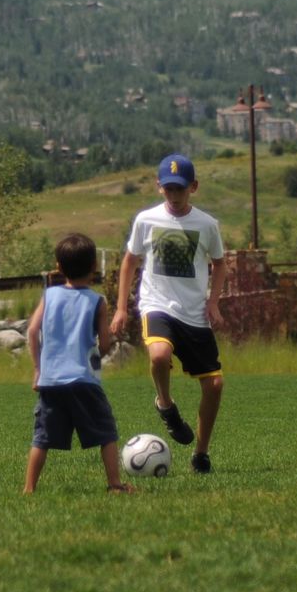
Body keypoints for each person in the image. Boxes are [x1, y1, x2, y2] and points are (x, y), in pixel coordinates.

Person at [111, 153, 226, 474]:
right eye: (169, 189)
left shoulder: (207, 224)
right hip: (156, 304)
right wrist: (121, 308)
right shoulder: (146, 220)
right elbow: (130, 261)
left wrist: (214, 302)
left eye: (181, 189)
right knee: (159, 355)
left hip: (194, 315)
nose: (175, 196)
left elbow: (220, 264)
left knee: (215, 385)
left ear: (194, 187)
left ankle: (201, 455)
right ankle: (165, 404)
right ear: (159, 187)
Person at [24, 232, 129, 494]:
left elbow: (32, 332)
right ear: (95, 265)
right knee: (106, 432)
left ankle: (29, 488)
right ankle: (115, 484)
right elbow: (104, 345)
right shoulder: (97, 302)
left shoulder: (49, 296)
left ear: (58, 267)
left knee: (42, 438)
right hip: (84, 381)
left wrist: (38, 369)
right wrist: (110, 341)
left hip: (51, 382)